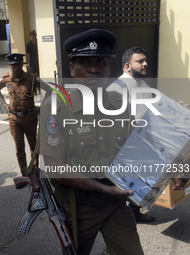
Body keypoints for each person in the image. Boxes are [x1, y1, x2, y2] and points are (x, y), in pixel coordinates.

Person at [40, 29, 188, 255]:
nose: (93, 68)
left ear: (109, 67)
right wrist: (105, 189)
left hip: (116, 205)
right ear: (72, 68)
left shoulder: (119, 102)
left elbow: (138, 147)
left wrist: (169, 170)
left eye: (100, 61)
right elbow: (55, 168)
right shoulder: (56, 106)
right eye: (84, 62)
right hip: (77, 209)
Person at [107, 47, 155, 222]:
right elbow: (111, 122)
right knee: (123, 182)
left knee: (139, 180)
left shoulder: (144, 85)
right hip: (124, 145)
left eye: (145, 60)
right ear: (127, 66)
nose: (145, 64)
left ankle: (134, 213)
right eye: (140, 61)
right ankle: (118, 217)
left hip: (141, 142)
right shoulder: (117, 88)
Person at [0, 53, 40, 184]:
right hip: (14, 119)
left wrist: (40, 108)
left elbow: (50, 91)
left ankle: (34, 170)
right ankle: (24, 172)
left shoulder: (32, 79)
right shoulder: (5, 79)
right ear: (9, 66)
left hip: (29, 119)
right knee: (19, 148)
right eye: (13, 65)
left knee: (33, 146)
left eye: (18, 64)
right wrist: (4, 105)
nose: (16, 67)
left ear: (22, 64)